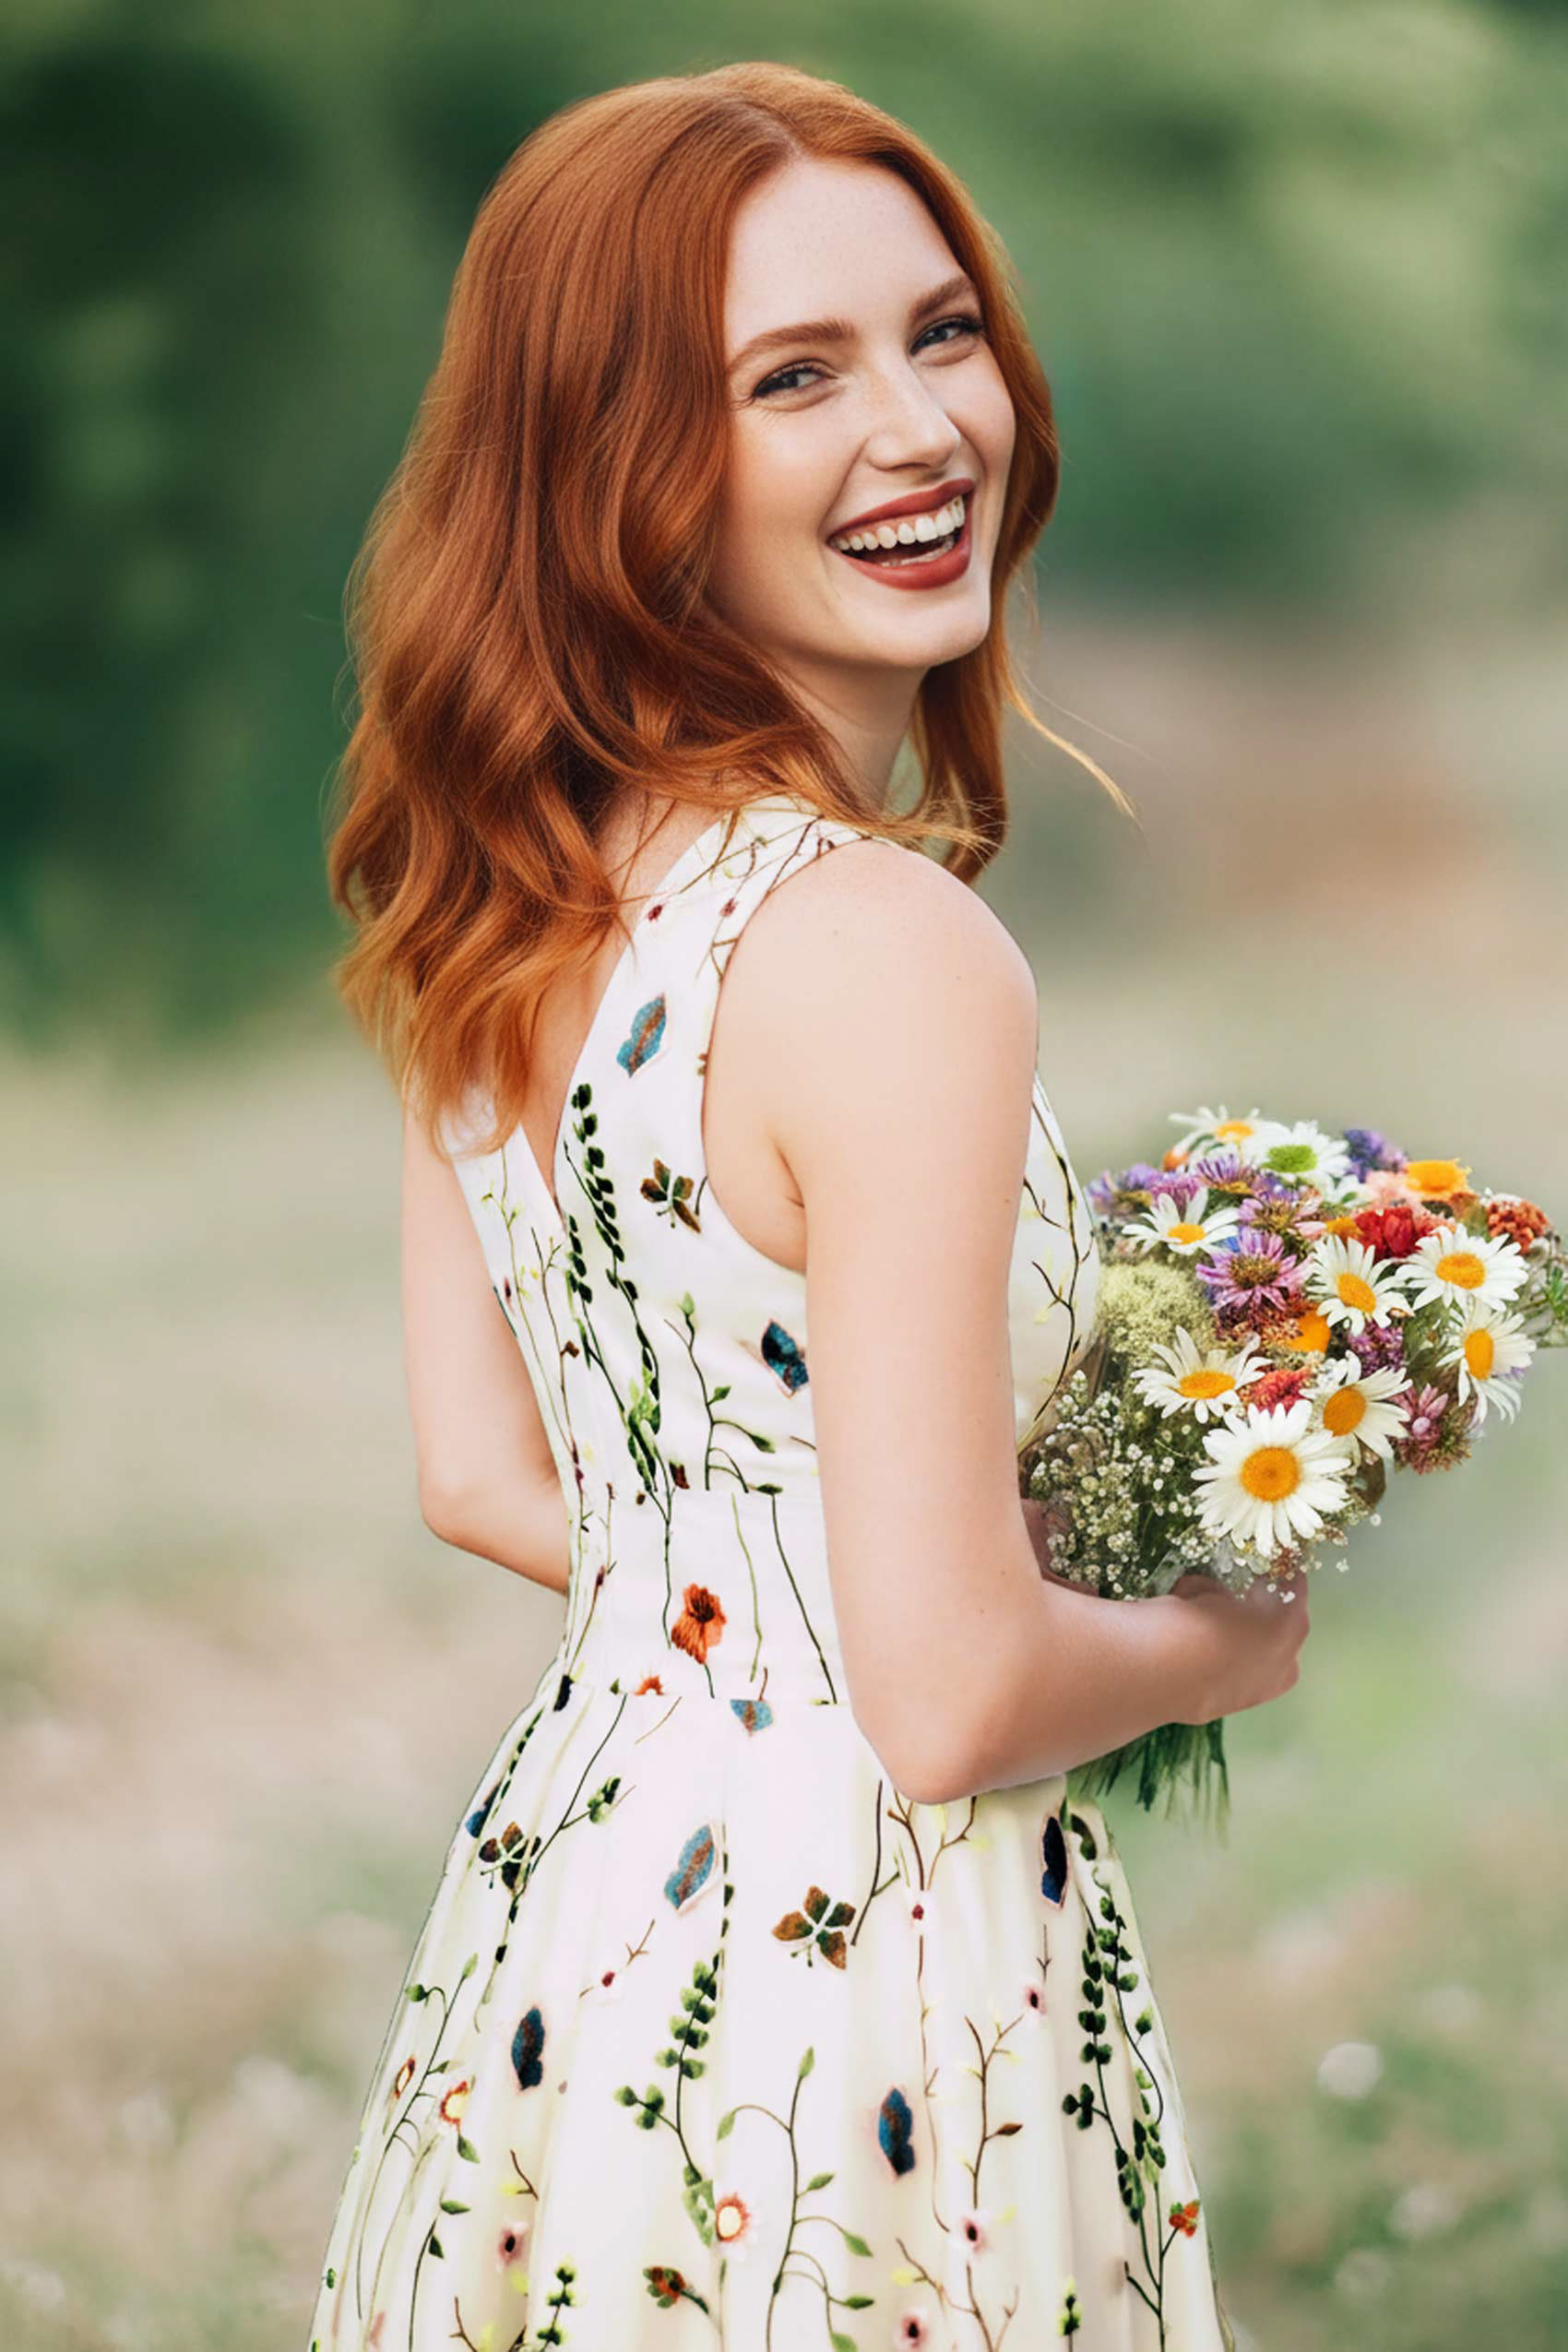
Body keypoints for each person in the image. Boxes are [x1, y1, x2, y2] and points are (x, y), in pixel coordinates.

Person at [306, 60, 1308, 2352]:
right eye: (793, 378)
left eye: (940, 333)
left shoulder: (515, 896)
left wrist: (827, 1597)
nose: (922, 427)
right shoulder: (878, 946)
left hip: (576, 1928)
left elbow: (486, 1476)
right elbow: (947, 1698)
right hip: (861, 1978)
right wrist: (1216, 1644)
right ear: (620, 473)